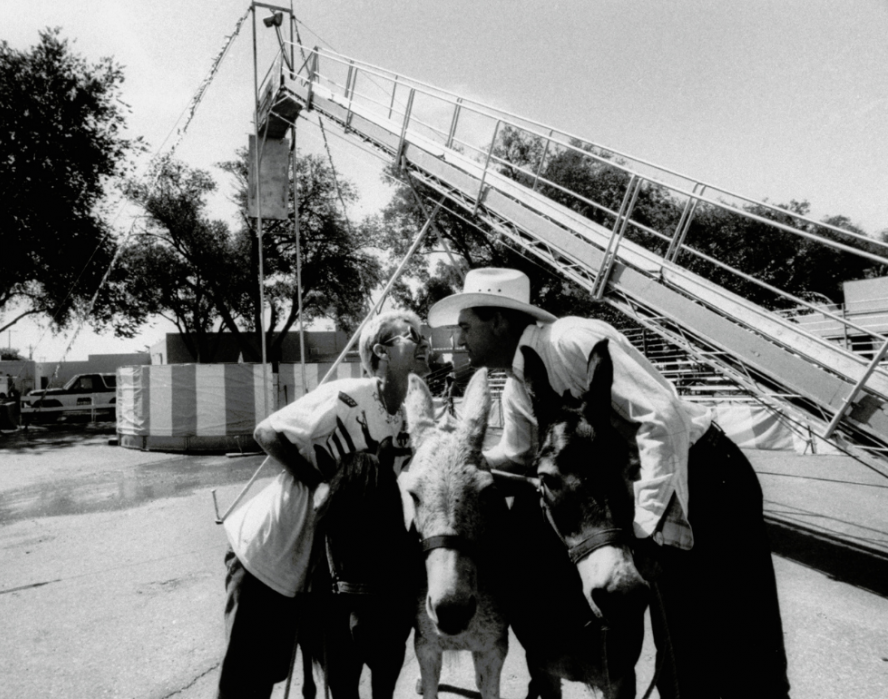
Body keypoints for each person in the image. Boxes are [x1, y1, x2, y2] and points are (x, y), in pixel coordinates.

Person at [427, 267, 789, 699]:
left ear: (499, 321)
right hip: (654, 485)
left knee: (732, 635)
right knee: (681, 647)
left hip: (706, 474)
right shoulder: (518, 386)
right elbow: (518, 459)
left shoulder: (570, 339)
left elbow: (663, 419)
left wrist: (650, 525)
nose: (461, 339)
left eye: (467, 327)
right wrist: (445, 465)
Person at [216, 310, 432, 699]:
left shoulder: (403, 418)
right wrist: (317, 482)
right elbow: (266, 432)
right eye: (413, 336)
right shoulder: (347, 397)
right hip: (271, 553)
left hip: (319, 565)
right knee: (246, 685)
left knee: (279, 670)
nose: (425, 343)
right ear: (382, 353)